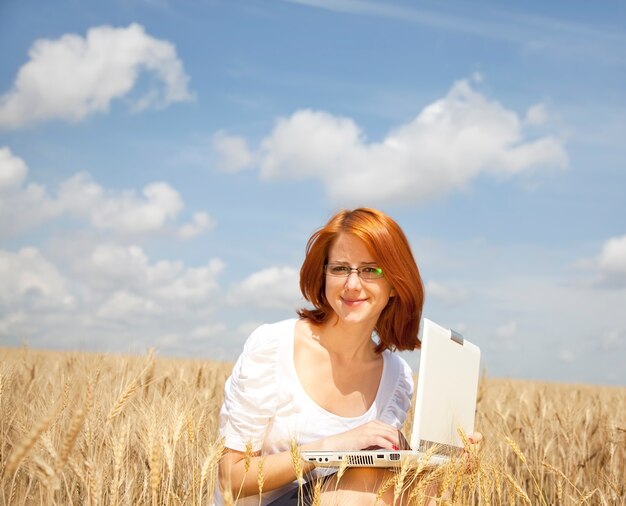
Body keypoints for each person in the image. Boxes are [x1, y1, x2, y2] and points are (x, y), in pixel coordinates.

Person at [216, 208, 477, 505]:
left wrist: (442, 464)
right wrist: (333, 446)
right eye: (340, 268)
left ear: (394, 283)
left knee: (426, 487)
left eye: (371, 269)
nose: (353, 284)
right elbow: (231, 477)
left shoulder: (397, 378)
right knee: (360, 476)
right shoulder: (273, 347)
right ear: (323, 275)